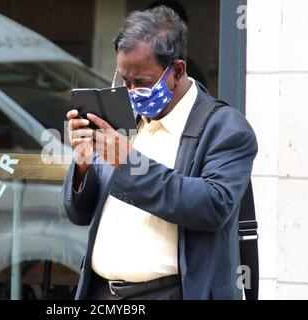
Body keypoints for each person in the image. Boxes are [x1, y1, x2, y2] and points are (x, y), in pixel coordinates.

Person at [62, 5, 258, 300]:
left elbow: (213, 205)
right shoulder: (121, 118)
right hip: (101, 292)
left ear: (177, 70)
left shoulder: (226, 127)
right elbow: (78, 213)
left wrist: (130, 164)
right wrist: (82, 164)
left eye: (141, 82)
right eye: (124, 81)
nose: (130, 92)